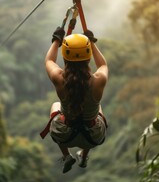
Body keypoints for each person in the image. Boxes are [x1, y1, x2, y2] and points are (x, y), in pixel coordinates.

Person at [40, 27, 109, 173]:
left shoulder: (59, 78)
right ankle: (84, 155)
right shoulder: (98, 81)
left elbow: (49, 60)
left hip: (64, 134)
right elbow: (103, 65)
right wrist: (91, 42)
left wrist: (56, 40)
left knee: (55, 106)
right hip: (92, 136)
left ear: (65, 57)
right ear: (88, 56)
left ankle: (66, 156)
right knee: (98, 109)